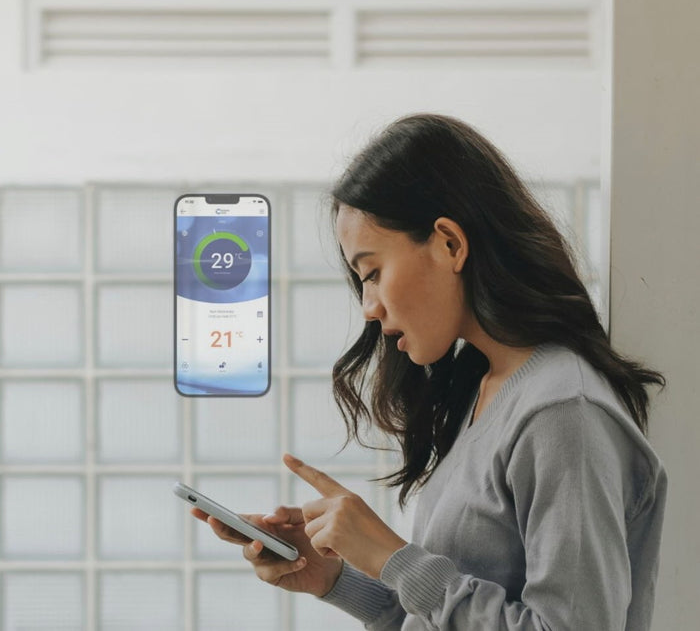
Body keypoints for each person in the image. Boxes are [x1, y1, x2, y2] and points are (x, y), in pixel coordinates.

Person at [192, 113, 667, 630]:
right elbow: (442, 612)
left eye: (372, 273)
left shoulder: (560, 412)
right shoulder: (482, 392)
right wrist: (332, 577)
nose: (369, 307)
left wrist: (393, 557)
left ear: (449, 244)